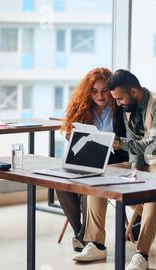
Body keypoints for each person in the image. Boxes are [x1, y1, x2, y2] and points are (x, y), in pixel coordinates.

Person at [75, 70, 156, 270]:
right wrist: (135, 170)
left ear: (134, 91)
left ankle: (142, 254)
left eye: (118, 98)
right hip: (146, 164)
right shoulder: (129, 106)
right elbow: (133, 149)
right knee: (98, 175)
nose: (116, 103)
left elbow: (155, 145)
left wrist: (119, 143)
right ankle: (96, 244)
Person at [56, 67, 129, 253]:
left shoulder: (121, 108)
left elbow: (130, 140)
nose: (100, 96)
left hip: (116, 162)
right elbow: (72, 138)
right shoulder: (82, 109)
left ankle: (84, 238)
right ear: (88, 92)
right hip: (87, 160)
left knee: (90, 183)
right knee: (60, 183)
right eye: (95, 91)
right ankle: (80, 231)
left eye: (104, 91)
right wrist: (72, 136)